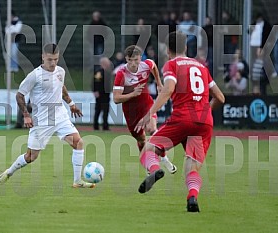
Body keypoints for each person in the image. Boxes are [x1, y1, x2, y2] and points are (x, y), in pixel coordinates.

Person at [135, 31, 225, 212]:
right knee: (191, 168)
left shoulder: (172, 64)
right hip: (204, 121)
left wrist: (150, 113)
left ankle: (154, 170)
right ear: (185, 47)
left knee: (148, 149)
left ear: (168, 50)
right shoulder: (201, 67)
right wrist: (204, 110)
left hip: (182, 118)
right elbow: (220, 98)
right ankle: (192, 197)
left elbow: (168, 89)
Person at [0, 43, 95, 188]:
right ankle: (9, 172)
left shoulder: (60, 71)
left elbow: (62, 88)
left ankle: (77, 181)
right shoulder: (35, 75)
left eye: (56, 59)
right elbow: (19, 95)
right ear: (43, 57)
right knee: (31, 157)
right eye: (49, 60)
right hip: (41, 121)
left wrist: (71, 104)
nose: (53, 63)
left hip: (60, 116)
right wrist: (26, 115)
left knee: (78, 143)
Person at [113, 45, 177, 174]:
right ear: (126, 59)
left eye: (136, 60)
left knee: (153, 130)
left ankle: (164, 159)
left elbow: (153, 66)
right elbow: (116, 98)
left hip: (147, 105)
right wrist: (133, 94)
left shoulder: (146, 64)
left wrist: (159, 83)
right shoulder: (121, 74)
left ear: (140, 58)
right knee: (142, 140)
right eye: (130, 60)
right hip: (131, 113)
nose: (133, 63)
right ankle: (149, 164)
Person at [93, 57, 113, 130]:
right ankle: (96, 126)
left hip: (106, 93)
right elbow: (95, 82)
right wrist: (95, 91)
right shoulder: (99, 72)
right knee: (98, 110)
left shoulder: (107, 71)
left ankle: (105, 125)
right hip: (101, 94)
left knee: (105, 110)